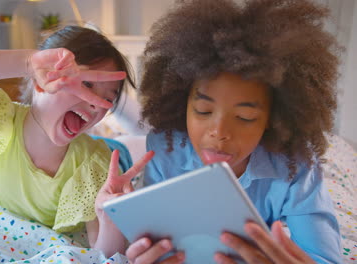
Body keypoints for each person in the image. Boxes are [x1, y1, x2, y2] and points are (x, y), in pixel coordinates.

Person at [124, 0, 342, 263]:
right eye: (203, 111)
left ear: (274, 120)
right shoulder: (165, 151)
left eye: (244, 117)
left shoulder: (296, 165)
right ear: (182, 105)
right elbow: (155, 238)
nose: (219, 132)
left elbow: (323, 256)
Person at [0, 25, 152, 257]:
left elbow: (105, 254)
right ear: (41, 80)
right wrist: (27, 61)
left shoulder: (95, 165)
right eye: (86, 84)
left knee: (134, 143)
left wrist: (108, 216)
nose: (95, 103)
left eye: (108, 98)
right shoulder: (0, 119)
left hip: (117, 152)